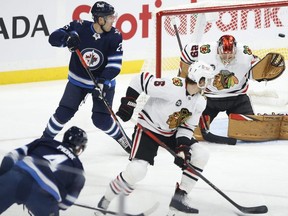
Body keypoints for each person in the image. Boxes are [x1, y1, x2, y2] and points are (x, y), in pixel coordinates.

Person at [94, 61, 216, 215]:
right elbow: (140, 80)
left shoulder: (200, 101)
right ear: (199, 79)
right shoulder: (173, 86)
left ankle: (180, 198)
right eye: (208, 80)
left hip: (171, 132)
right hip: (148, 129)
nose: (210, 84)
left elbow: (186, 127)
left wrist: (182, 149)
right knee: (137, 171)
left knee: (201, 154)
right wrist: (129, 103)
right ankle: (105, 200)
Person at [41, 1, 131, 154]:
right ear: (100, 19)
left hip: (103, 83)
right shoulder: (79, 26)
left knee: (101, 120)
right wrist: (67, 38)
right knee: (63, 113)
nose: (113, 20)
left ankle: (124, 140)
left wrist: (102, 83)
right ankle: (44, 141)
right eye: (109, 18)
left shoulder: (115, 36)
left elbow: (115, 64)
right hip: (78, 81)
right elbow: (53, 38)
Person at [179, 35, 260, 142]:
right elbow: (187, 53)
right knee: (191, 133)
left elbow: (257, 71)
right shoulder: (205, 51)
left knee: (249, 133)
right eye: (224, 54)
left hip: (238, 98)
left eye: (230, 54)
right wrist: (185, 79)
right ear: (218, 49)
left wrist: (264, 73)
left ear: (236, 49)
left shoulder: (245, 54)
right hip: (208, 99)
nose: (227, 58)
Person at [0, 126, 87, 216]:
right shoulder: (78, 169)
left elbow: (10, 157)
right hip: (43, 195)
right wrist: (50, 206)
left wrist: (4, 177)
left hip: (16, 177)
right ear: (79, 148)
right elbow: (66, 203)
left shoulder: (45, 141)